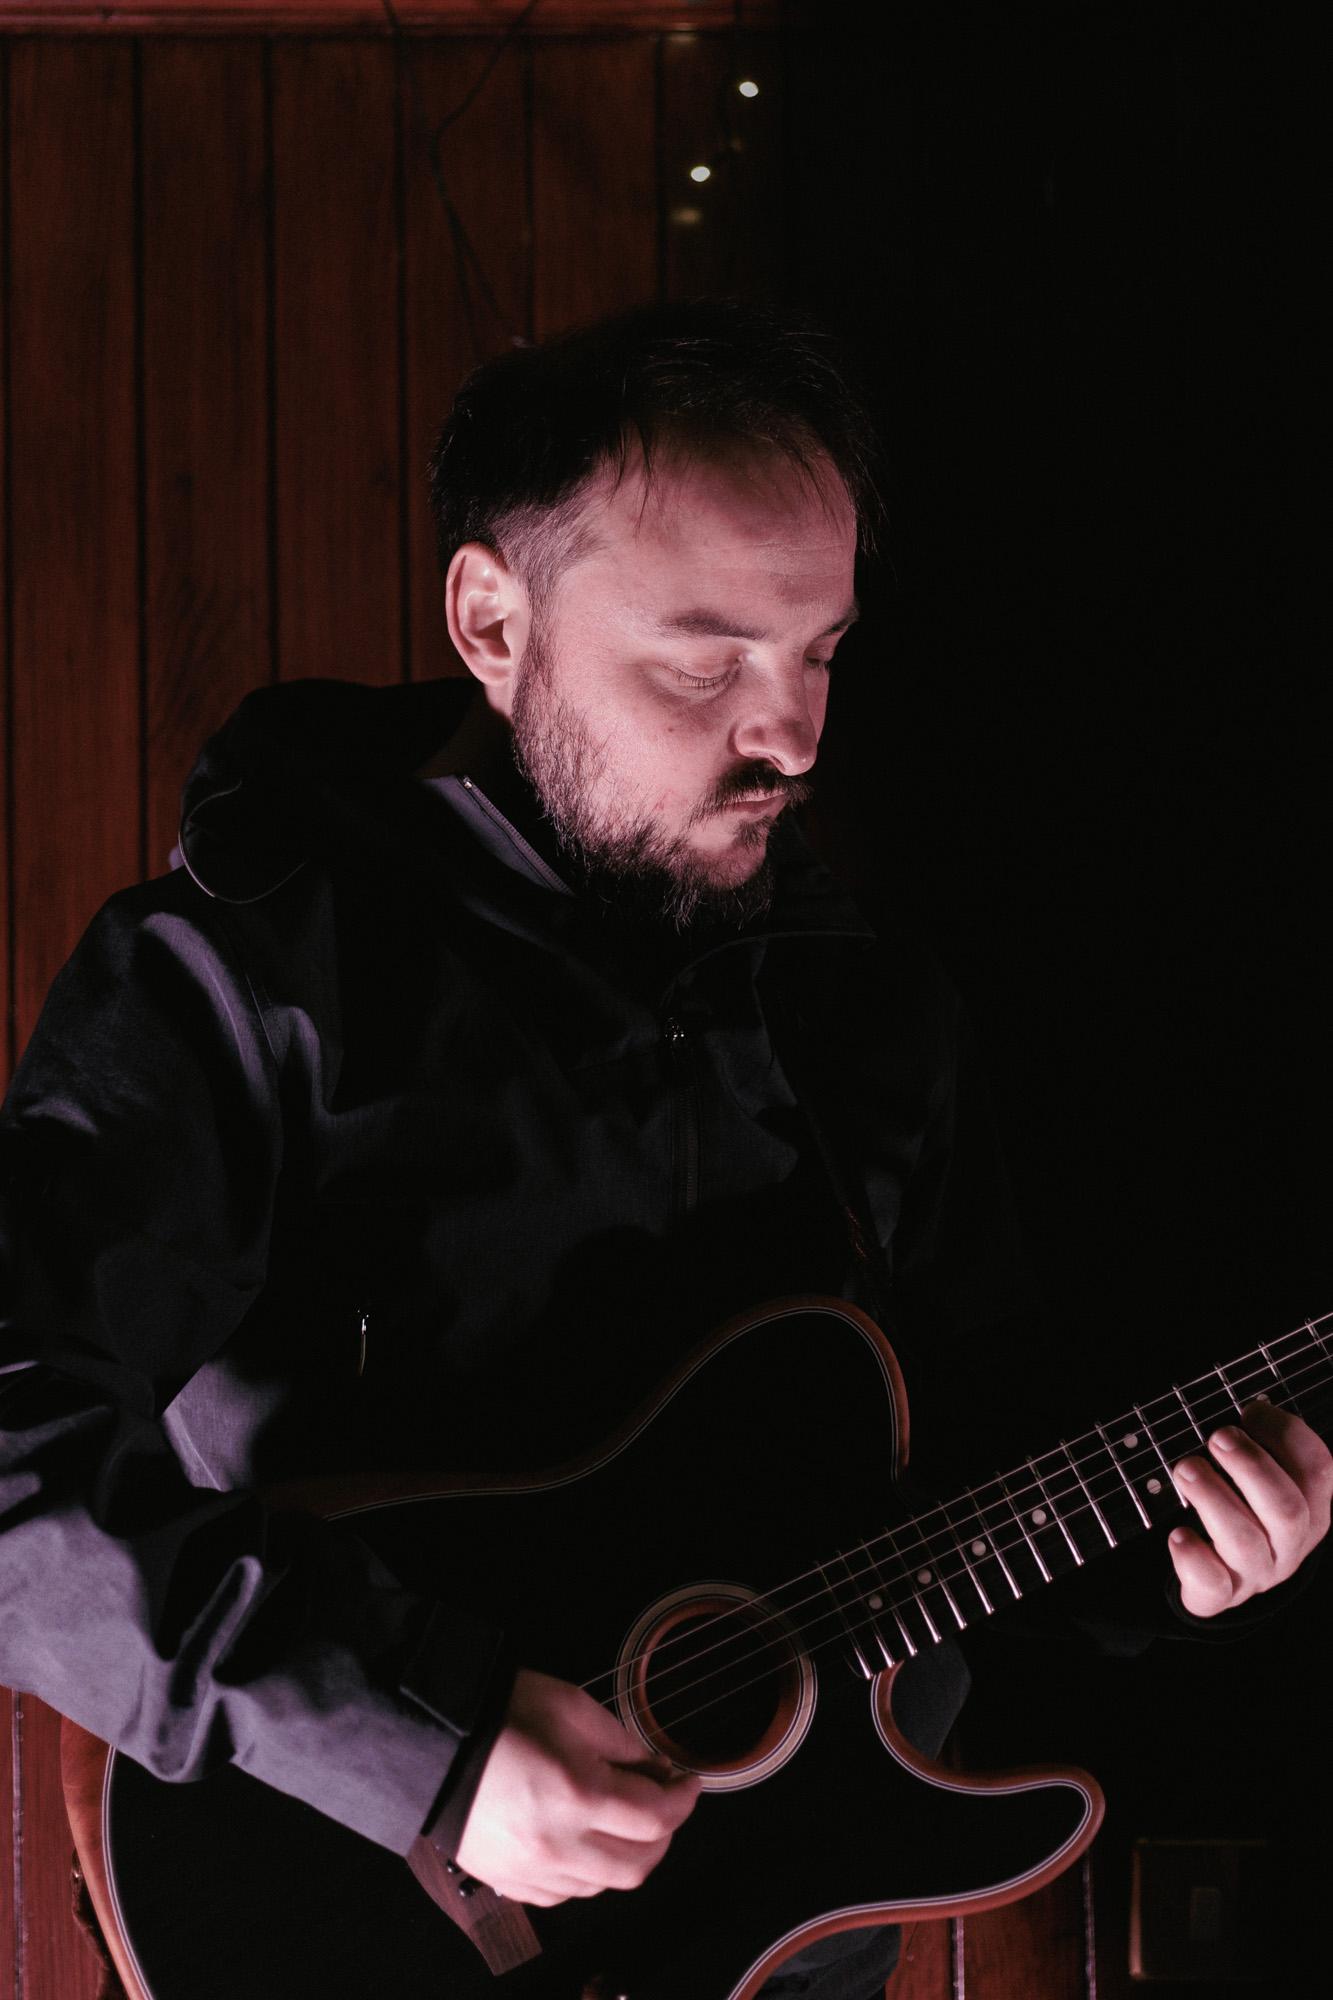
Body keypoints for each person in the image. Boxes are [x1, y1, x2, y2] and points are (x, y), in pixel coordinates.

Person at [1, 300, 1328, 2000]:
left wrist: (1173, 1547)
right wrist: (425, 1745)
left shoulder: (866, 1008)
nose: (792, 736)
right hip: (361, 1914)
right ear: (494, 622)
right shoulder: (250, 979)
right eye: (707, 660)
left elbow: (965, 1457)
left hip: (779, 1939)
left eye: (821, 652)